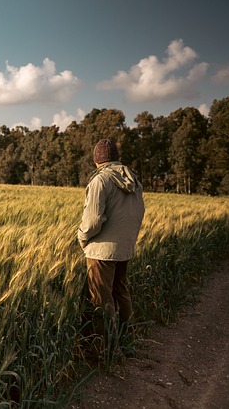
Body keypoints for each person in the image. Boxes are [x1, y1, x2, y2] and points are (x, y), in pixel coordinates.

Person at [77, 139, 145, 341]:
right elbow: (139, 212)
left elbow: (93, 220)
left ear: (97, 160)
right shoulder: (135, 181)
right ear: (117, 158)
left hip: (101, 251)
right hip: (125, 248)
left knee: (101, 299)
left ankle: (104, 348)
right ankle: (126, 339)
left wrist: (82, 237)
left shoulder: (100, 180)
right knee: (121, 291)